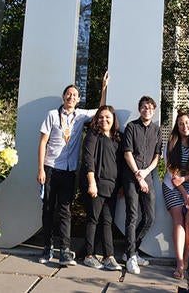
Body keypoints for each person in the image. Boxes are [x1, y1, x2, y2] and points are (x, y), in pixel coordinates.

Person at [37, 84, 96, 266]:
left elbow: (100, 110)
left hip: (69, 171)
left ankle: (64, 251)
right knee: (48, 209)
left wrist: (103, 87)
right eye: (69, 94)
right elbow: (43, 142)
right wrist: (40, 169)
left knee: (65, 211)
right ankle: (47, 248)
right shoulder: (52, 115)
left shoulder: (81, 115)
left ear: (78, 100)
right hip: (50, 169)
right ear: (63, 96)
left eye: (75, 95)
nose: (71, 97)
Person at [79, 105, 123, 271]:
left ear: (113, 119)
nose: (104, 120)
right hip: (95, 185)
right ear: (96, 119)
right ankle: (89, 255)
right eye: (101, 117)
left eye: (108, 117)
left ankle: (108, 256)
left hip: (111, 187)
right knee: (93, 219)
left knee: (107, 221)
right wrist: (91, 182)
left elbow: (120, 164)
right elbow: (88, 158)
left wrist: (120, 187)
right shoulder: (93, 135)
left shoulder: (118, 138)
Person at [122, 96, 162, 274]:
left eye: (150, 108)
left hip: (147, 176)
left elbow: (157, 156)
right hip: (131, 177)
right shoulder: (131, 127)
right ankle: (131, 257)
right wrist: (139, 176)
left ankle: (131, 249)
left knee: (149, 217)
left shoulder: (157, 130)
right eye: (144, 107)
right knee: (132, 215)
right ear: (139, 109)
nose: (147, 110)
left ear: (154, 111)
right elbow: (127, 153)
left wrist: (145, 174)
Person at [162, 111, 189, 280]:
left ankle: (187, 257)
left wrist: (186, 180)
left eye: (187, 123)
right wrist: (184, 194)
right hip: (173, 187)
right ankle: (180, 262)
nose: (184, 126)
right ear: (177, 127)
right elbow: (172, 174)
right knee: (178, 219)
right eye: (181, 124)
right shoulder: (170, 145)